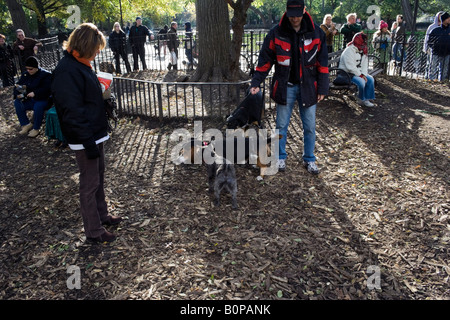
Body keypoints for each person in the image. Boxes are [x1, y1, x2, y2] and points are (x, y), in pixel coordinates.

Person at [51, 23, 122, 243]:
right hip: (85, 138)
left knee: (98, 177)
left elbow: (85, 99)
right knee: (89, 183)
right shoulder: (67, 70)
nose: (98, 53)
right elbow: (71, 111)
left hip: (95, 133)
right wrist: (87, 142)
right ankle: (94, 230)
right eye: (96, 48)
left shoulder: (81, 64)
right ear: (84, 46)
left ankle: (102, 215)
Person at [249, 0, 329, 175]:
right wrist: (256, 82)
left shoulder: (316, 32)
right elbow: (265, 60)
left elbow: (322, 62)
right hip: (286, 86)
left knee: (309, 126)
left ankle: (309, 159)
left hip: (309, 87)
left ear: (304, 10)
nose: (295, 18)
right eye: (292, 14)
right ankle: (280, 157)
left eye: (298, 14)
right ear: (286, 12)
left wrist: (323, 88)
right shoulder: (276, 33)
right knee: (281, 125)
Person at [13, 56, 52, 138]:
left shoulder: (46, 75)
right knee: (17, 102)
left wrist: (35, 93)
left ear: (36, 67)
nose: (28, 70)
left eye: (30, 69)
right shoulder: (25, 74)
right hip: (29, 99)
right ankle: (26, 124)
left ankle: (36, 128)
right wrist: (18, 92)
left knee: (38, 106)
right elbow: (18, 86)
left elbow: (47, 89)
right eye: (27, 68)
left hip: (43, 99)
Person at [338, 32, 375, 107]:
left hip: (357, 73)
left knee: (370, 79)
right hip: (346, 74)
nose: (364, 43)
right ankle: (361, 99)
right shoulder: (349, 50)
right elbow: (350, 67)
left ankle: (367, 99)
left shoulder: (363, 49)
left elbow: (364, 64)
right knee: (361, 82)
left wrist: (364, 74)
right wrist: (361, 75)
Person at [429, 12, 450, 81]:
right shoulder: (435, 30)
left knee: (444, 69)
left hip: (447, 52)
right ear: (443, 19)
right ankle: (432, 80)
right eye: (448, 18)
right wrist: (434, 47)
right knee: (433, 68)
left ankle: (442, 81)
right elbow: (430, 41)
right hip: (436, 52)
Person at [424, 11, 444, 80]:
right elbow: (427, 38)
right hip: (432, 48)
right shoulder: (432, 26)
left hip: (442, 49)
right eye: (439, 15)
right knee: (429, 64)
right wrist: (426, 48)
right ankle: (427, 77)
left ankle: (438, 79)